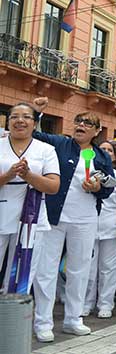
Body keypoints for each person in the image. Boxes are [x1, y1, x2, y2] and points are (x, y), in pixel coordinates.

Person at [30, 99, 114, 342]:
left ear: (97, 131)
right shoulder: (60, 143)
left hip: (85, 218)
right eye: (78, 121)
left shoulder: (100, 156)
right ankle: (43, 322)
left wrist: (97, 186)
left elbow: (108, 186)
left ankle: (73, 319)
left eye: (88, 123)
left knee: (79, 270)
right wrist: (37, 110)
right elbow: (36, 134)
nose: (81, 125)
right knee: (46, 270)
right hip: (54, 216)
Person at [0, 103, 60, 296]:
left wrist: (28, 175)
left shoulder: (46, 150)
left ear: (34, 123)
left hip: (31, 219)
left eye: (26, 117)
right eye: (14, 117)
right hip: (2, 212)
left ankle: (15, 321)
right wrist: (9, 175)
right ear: (8, 122)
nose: (20, 121)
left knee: (23, 272)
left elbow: (53, 186)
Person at [83, 141, 116, 319]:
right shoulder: (86, 173)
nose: (105, 152)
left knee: (109, 269)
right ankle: (86, 303)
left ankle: (105, 303)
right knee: (88, 269)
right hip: (87, 227)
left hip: (112, 228)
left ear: (114, 156)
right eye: (102, 149)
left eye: (109, 150)